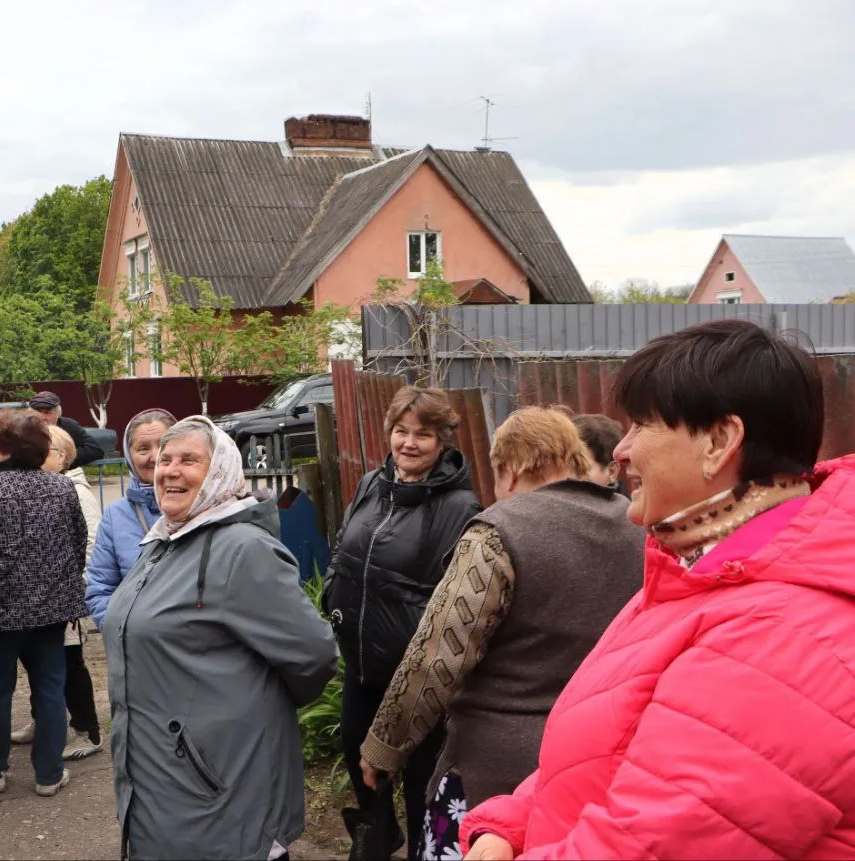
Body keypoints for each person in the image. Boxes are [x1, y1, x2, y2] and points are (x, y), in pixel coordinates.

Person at [461, 320, 855, 861]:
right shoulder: (702, 573)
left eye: (642, 425)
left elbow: (648, 844)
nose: (620, 450)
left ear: (719, 442)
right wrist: (512, 823)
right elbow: (604, 752)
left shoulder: (782, 631)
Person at [358, 407, 644, 859]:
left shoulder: (496, 532)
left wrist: (384, 747)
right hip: (599, 770)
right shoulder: (636, 526)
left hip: (491, 774)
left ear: (509, 469)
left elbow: (436, 657)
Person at [103, 416, 339, 860]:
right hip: (157, 779)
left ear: (220, 472)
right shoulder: (164, 542)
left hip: (221, 782)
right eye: (165, 460)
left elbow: (313, 655)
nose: (169, 470)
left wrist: (252, 707)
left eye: (189, 460)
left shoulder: (243, 549)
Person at [323, 385, 482, 860]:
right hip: (362, 664)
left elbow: (453, 594)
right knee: (357, 752)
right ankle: (379, 830)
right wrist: (333, 590)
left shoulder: (459, 506)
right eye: (401, 431)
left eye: (423, 435)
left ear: (443, 442)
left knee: (419, 780)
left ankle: (419, 848)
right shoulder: (372, 485)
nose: (409, 443)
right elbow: (342, 547)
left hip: (416, 676)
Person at [0, 409, 88, 798]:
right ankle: (49, 773)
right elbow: (78, 543)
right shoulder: (61, 488)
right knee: (50, 687)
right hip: (51, 610)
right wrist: (62, 587)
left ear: (2, 448)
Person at [13, 422, 103, 760]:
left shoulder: (76, 492)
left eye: (45, 450)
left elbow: (92, 544)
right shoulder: (41, 488)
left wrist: (77, 588)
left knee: (69, 663)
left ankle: (87, 730)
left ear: (62, 456)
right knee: (37, 663)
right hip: (38, 597)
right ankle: (43, 718)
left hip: (65, 596)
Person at [85, 408, 177, 628]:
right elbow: (100, 590)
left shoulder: (205, 506)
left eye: (163, 445)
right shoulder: (116, 516)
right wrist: (127, 634)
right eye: (143, 448)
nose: (154, 456)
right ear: (129, 455)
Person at [29, 390, 103, 468]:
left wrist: (62, 458)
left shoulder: (68, 426)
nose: (42, 417)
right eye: (37, 413)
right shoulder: (25, 429)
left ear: (57, 414)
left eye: (47, 413)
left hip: (64, 471)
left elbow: (95, 450)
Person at [572, 412, 629, 497]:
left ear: (612, 472)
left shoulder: (631, 506)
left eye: (581, 468)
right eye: (563, 468)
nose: (569, 477)